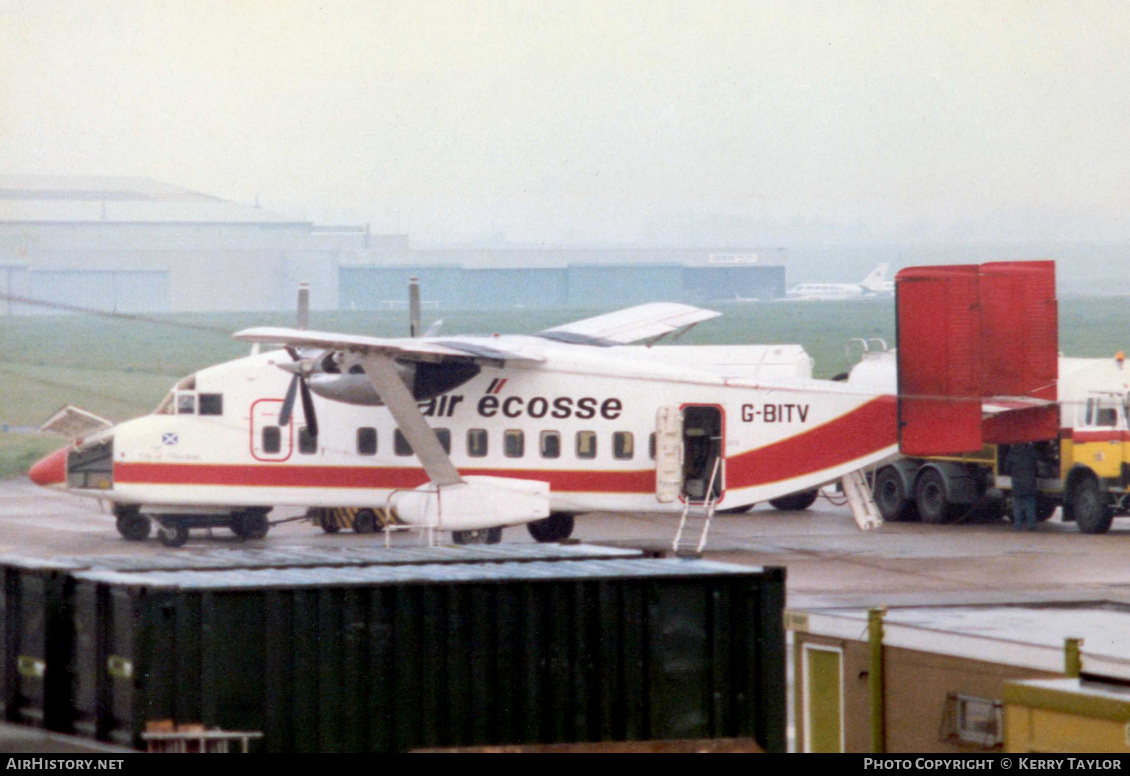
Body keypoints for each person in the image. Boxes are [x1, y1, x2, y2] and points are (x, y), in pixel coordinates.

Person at [1006, 443, 1039, 531]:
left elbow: (1007, 468)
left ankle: (1017, 526)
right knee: (1030, 503)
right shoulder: (1031, 451)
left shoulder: (1012, 452)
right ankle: (1031, 525)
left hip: (1017, 482)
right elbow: (1036, 466)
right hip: (1029, 482)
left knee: (1017, 504)